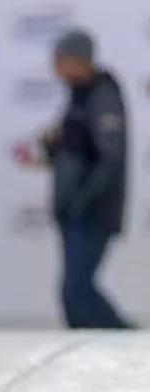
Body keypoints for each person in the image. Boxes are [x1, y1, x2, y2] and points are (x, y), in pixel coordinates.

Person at [41, 29, 133, 329]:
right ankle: (94, 351)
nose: (54, 67)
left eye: (59, 60)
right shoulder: (80, 96)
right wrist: (54, 144)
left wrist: (81, 200)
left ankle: (131, 344)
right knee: (73, 295)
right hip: (76, 211)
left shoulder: (101, 96)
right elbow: (78, 153)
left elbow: (110, 158)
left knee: (77, 291)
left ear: (78, 60)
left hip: (92, 212)